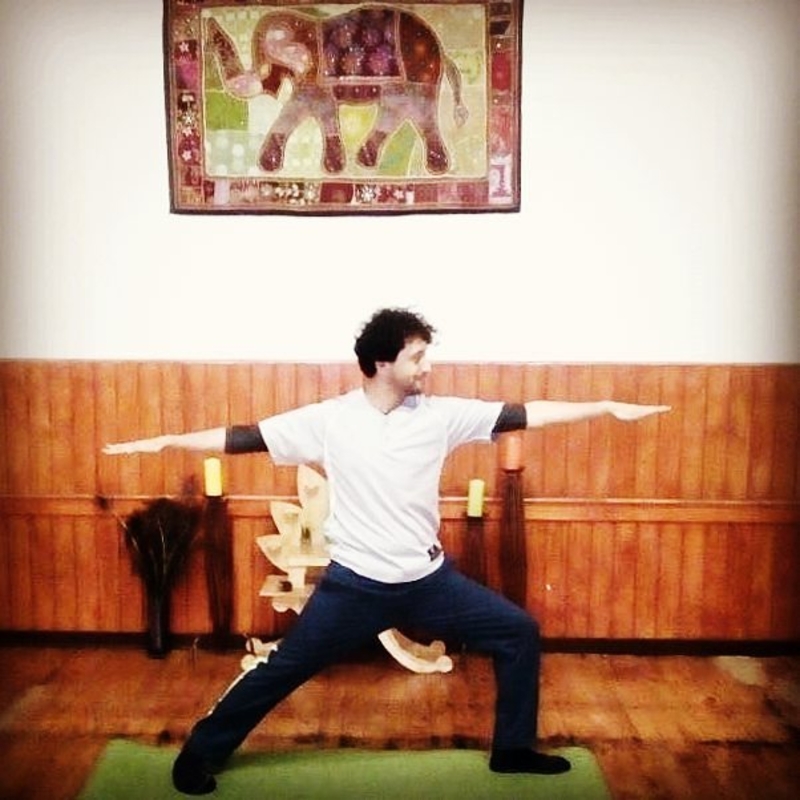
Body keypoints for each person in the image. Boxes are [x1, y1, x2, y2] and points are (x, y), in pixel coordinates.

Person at [104, 307, 670, 795]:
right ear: (381, 363)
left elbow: (527, 413)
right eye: (417, 357)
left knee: (517, 631)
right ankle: (200, 752)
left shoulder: (443, 416)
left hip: (430, 583)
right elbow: (242, 437)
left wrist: (604, 405)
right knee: (285, 668)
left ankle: (513, 750)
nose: (427, 367)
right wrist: (166, 441)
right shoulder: (330, 421)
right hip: (354, 587)